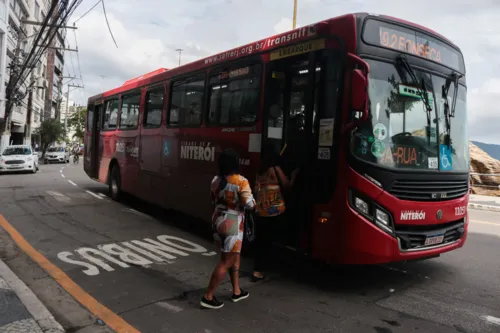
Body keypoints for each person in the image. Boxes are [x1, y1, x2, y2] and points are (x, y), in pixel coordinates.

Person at [201, 149, 255, 309]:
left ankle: (236, 291)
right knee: (227, 261)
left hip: (218, 219)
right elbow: (249, 204)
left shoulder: (216, 180)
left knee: (234, 255)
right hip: (232, 221)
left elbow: (212, 199)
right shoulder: (240, 181)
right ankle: (208, 296)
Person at [252, 143, 298, 282]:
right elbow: (287, 186)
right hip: (276, 211)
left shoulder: (260, 171)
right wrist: (295, 175)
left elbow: (255, 191)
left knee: (261, 241)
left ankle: (257, 270)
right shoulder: (276, 169)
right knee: (275, 239)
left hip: (261, 211)